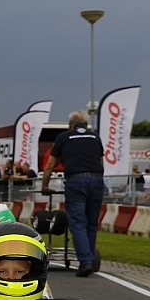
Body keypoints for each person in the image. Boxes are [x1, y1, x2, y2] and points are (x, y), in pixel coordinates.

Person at [41, 110, 105, 277]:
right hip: (97, 180)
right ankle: (89, 258)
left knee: (77, 222)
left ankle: (85, 261)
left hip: (76, 180)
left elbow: (50, 164)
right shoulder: (95, 137)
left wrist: (45, 186)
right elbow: (101, 162)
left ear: (71, 125)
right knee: (91, 223)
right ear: (86, 124)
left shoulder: (64, 137)